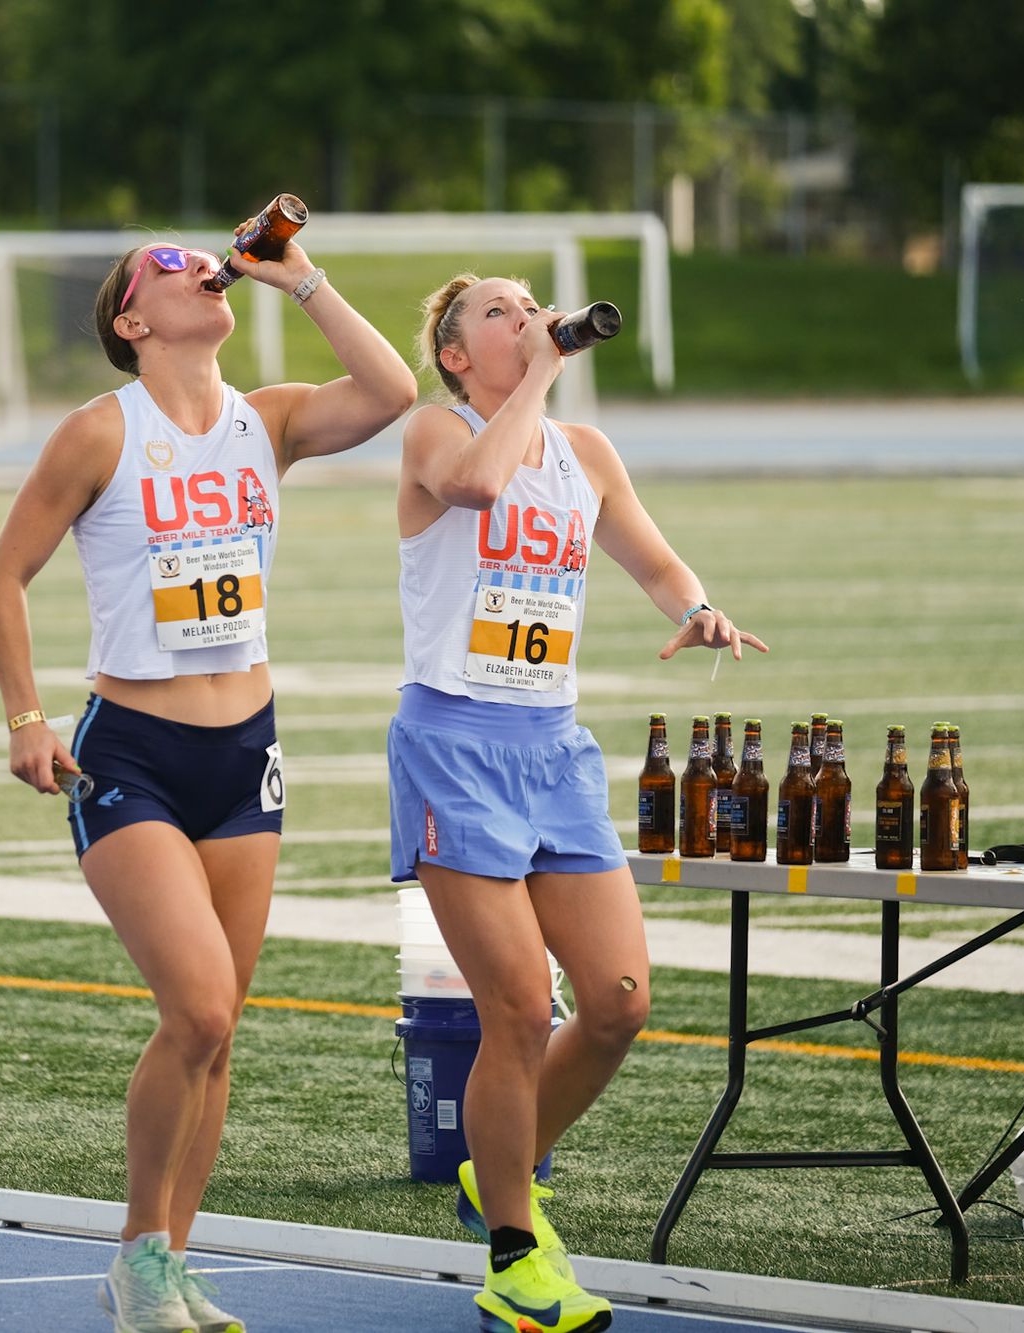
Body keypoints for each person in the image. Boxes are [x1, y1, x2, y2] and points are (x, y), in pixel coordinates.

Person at [0, 234, 416, 1333]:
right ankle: (136, 1251)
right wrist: (25, 717)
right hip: (127, 752)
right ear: (131, 322)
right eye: (161, 265)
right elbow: (3, 577)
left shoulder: (262, 421)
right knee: (198, 1002)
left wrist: (296, 276)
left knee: (218, 1031)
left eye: (196, 255)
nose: (192, 266)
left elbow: (392, 391)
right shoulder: (97, 433)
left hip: (244, 754)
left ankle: (168, 1261)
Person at [392, 274, 766, 1333]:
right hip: (452, 743)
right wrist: (542, 369)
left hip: (551, 748)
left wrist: (693, 606)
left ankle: (491, 1169)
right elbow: (473, 485)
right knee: (514, 1006)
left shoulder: (584, 452)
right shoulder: (435, 431)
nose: (528, 317)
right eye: (500, 313)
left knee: (614, 999)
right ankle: (513, 1251)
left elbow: (645, 551)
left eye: (530, 305)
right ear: (458, 356)